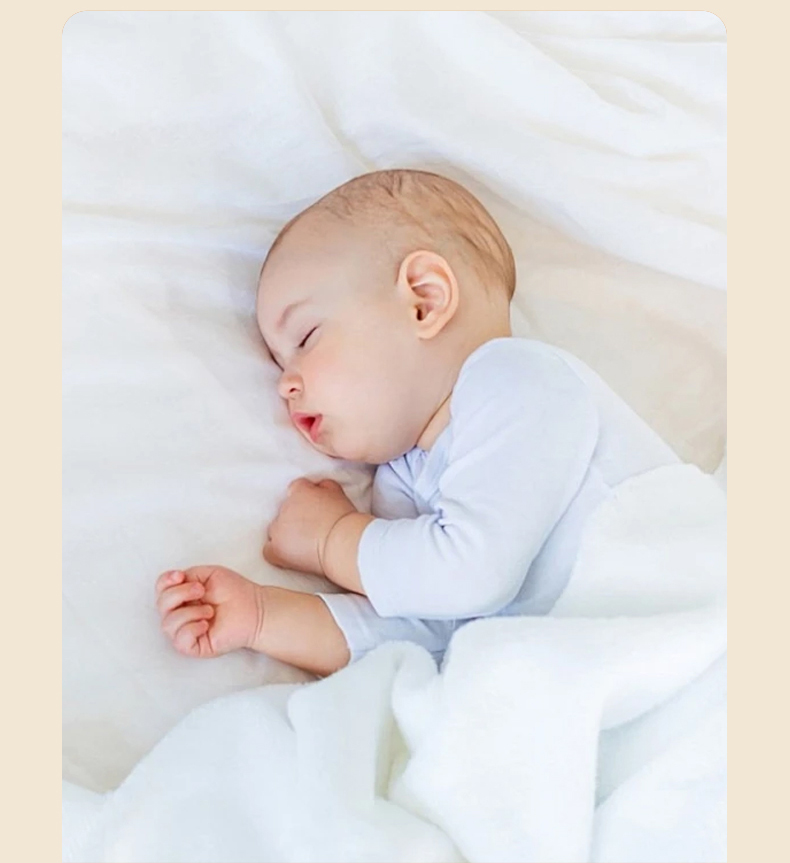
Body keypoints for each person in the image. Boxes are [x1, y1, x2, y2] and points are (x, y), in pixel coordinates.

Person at [155, 169, 678, 676]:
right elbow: (427, 640)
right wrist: (262, 617)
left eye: (307, 339)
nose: (285, 384)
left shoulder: (520, 378)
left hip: (671, 621)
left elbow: (471, 573)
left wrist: (333, 540)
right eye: (279, 364)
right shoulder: (404, 478)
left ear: (424, 301)